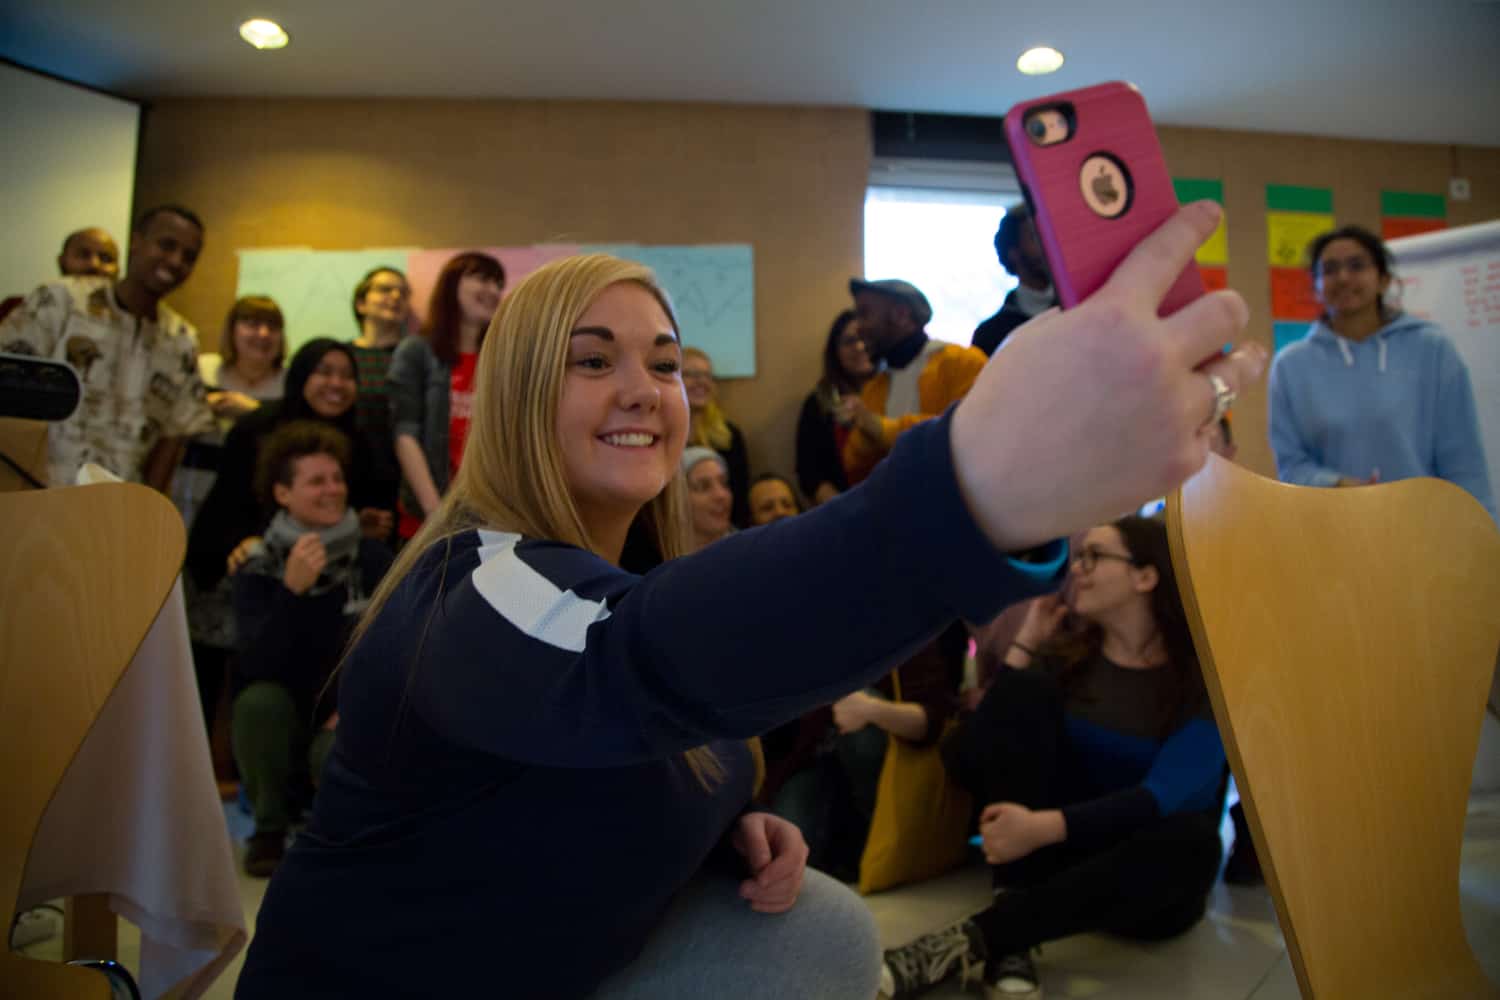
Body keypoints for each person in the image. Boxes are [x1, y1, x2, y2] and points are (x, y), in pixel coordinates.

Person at [235, 201, 1264, 999]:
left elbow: (653, 716)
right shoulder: (467, 582)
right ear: (512, 398)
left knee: (818, 922)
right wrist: (978, 484)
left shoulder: (613, 587)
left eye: (666, 364)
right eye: (593, 360)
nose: (644, 387)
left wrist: (706, 829)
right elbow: (626, 663)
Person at [882, 516, 1228, 999]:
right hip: (1057, 857)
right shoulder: (1067, 658)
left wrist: (1040, 829)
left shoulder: (1199, 683)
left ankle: (979, 938)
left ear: (1145, 576)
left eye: (1095, 556)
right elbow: (972, 751)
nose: (1078, 569)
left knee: (1194, 843)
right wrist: (1026, 643)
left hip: (1139, 875)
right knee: (1024, 695)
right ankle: (1013, 920)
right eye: (1078, 556)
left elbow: (1160, 798)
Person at [232, 421, 392, 877]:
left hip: (345, 710)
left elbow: (398, 650)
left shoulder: (372, 559)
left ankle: (339, 831)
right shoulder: (258, 564)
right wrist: (291, 594)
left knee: (353, 735)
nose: (332, 490)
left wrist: (355, 703)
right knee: (258, 704)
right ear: (283, 494)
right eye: (317, 481)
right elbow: (254, 665)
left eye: (337, 479)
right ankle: (267, 830)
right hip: (286, 712)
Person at [1269, 224, 1494, 520]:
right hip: (1332, 530)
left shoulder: (1433, 350)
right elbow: (1291, 464)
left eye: (1357, 265)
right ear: (1316, 287)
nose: (1343, 277)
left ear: (1383, 279)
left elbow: (1464, 461)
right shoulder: (1290, 366)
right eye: (1330, 269)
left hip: (1425, 530)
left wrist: (1483, 538)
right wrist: (1338, 484)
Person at [0, 205, 213, 490]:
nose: (175, 261)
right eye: (166, 245)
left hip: (117, 511)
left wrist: (148, 515)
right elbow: (8, 398)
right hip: (37, 494)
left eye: (188, 256)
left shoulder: (182, 339)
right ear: (136, 242)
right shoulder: (60, 300)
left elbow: (170, 441)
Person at [187, 338, 396, 599]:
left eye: (347, 376)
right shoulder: (257, 430)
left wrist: (359, 523)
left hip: (332, 583)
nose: (337, 384)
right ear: (301, 375)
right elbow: (228, 508)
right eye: (324, 372)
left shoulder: (360, 443)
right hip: (251, 573)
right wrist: (253, 545)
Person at [176, 296, 289, 729]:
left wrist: (252, 414)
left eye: (271, 326)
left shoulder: (287, 388)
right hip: (191, 515)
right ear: (232, 329)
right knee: (193, 650)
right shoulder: (201, 371)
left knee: (244, 650)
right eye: (250, 323)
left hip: (252, 532)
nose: (261, 335)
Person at [388, 251, 505, 541]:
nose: (492, 291)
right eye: (481, 279)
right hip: (428, 520)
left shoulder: (499, 360)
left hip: (488, 518)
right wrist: (435, 512)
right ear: (452, 284)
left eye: (497, 284)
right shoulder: (416, 352)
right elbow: (405, 435)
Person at [841, 277, 987, 485]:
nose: (858, 328)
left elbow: (968, 435)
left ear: (901, 315)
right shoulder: (874, 388)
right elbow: (855, 471)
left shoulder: (962, 363)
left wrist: (882, 429)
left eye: (865, 314)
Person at [347, 266, 410, 523]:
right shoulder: (340, 356)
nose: (396, 296)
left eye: (403, 293)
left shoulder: (415, 359)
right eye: (385, 289)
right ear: (361, 303)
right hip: (347, 475)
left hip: (399, 480)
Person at [795, 309, 873, 505]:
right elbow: (809, 473)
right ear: (835, 351)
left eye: (865, 338)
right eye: (849, 341)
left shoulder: (898, 391)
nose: (860, 346)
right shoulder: (818, 404)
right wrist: (844, 511)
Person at [973, 204, 1058, 357]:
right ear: (1014, 253)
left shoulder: (1080, 310)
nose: (1047, 244)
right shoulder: (990, 334)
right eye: (1035, 237)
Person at [683, 346, 752, 526]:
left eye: (707, 376)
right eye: (690, 374)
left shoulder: (730, 436)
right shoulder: (661, 436)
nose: (701, 382)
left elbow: (740, 500)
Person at [0, 227, 121, 324]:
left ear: (118, 269)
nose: (94, 265)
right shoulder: (13, 309)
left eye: (106, 258)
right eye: (83, 255)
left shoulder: (131, 321)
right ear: (61, 261)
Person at [682, 446, 735, 552]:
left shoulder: (750, 549)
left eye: (724, 483)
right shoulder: (661, 563)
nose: (721, 495)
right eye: (703, 487)